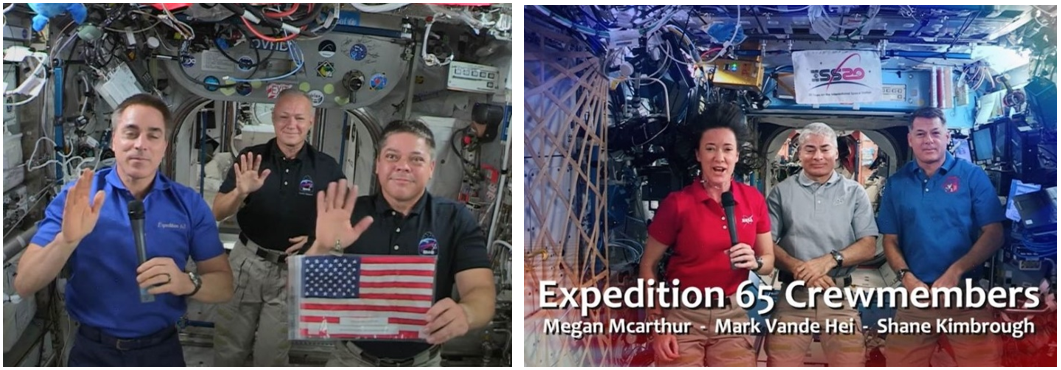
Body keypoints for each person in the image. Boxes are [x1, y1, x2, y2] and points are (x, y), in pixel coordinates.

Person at [13, 94, 233, 367]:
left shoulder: (188, 204)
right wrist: (66, 241)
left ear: (164, 146)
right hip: (93, 352)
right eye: (131, 133)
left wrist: (187, 282)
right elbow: (24, 283)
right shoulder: (78, 199)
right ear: (114, 140)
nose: (140, 144)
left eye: (153, 136)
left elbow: (223, 285)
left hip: (161, 351)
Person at [304, 119, 496, 366]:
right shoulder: (346, 215)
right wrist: (321, 246)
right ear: (378, 164)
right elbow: (308, 295)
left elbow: (481, 291)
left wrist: (466, 313)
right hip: (350, 359)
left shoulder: (454, 218)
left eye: (416, 159)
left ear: (431, 168)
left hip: (422, 362)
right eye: (392, 156)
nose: (403, 166)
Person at [211, 89, 346, 366]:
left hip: (292, 270)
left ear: (311, 121)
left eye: (299, 117)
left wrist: (316, 242)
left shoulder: (327, 168)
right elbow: (217, 211)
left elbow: (343, 224)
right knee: (230, 349)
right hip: (246, 264)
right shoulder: (251, 159)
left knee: (271, 356)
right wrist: (240, 192)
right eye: (284, 116)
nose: (291, 124)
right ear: (273, 118)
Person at [638, 102, 775, 367]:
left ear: (737, 155)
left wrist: (755, 262)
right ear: (698, 155)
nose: (719, 158)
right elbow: (648, 265)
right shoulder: (678, 203)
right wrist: (658, 324)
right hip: (683, 314)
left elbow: (768, 261)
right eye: (710, 149)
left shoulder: (753, 200)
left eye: (727, 150)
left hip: (732, 315)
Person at [878, 107, 1005, 366]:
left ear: (947, 137)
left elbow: (994, 233)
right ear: (910, 139)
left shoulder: (972, 177)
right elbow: (889, 240)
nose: (929, 140)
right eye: (921, 134)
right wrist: (906, 277)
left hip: (966, 298)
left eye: (935, 133)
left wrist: (955, 272)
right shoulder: (897, 183)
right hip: (916, 299)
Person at [764, 122, 878, 366]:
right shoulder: (781, 192)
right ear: (799, 153)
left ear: (836, 152)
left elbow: (868, 245)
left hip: (838, 295)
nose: (818, 156)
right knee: (781, 362)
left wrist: (829, 260)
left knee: (850, 362)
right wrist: (798, 268)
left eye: (825, 149)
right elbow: (765, 243)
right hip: (793, 296)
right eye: (810, 149)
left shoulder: (855, 193)